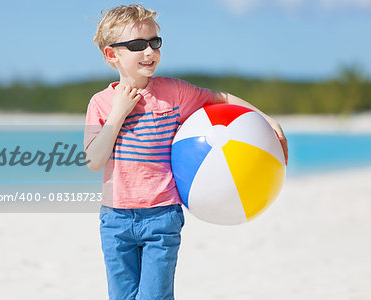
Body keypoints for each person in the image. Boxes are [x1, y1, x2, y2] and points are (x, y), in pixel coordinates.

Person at [84, 4, 288, 300]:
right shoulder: (101, 103)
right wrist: (117, 114)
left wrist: (267, 119)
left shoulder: (174, 94)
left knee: (155, 296)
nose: (149, 51)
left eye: (155, 42)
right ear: (111, 54)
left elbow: (220, 98)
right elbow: (93, 161)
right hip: (115, 219)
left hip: (161, 217)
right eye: (138, 45)